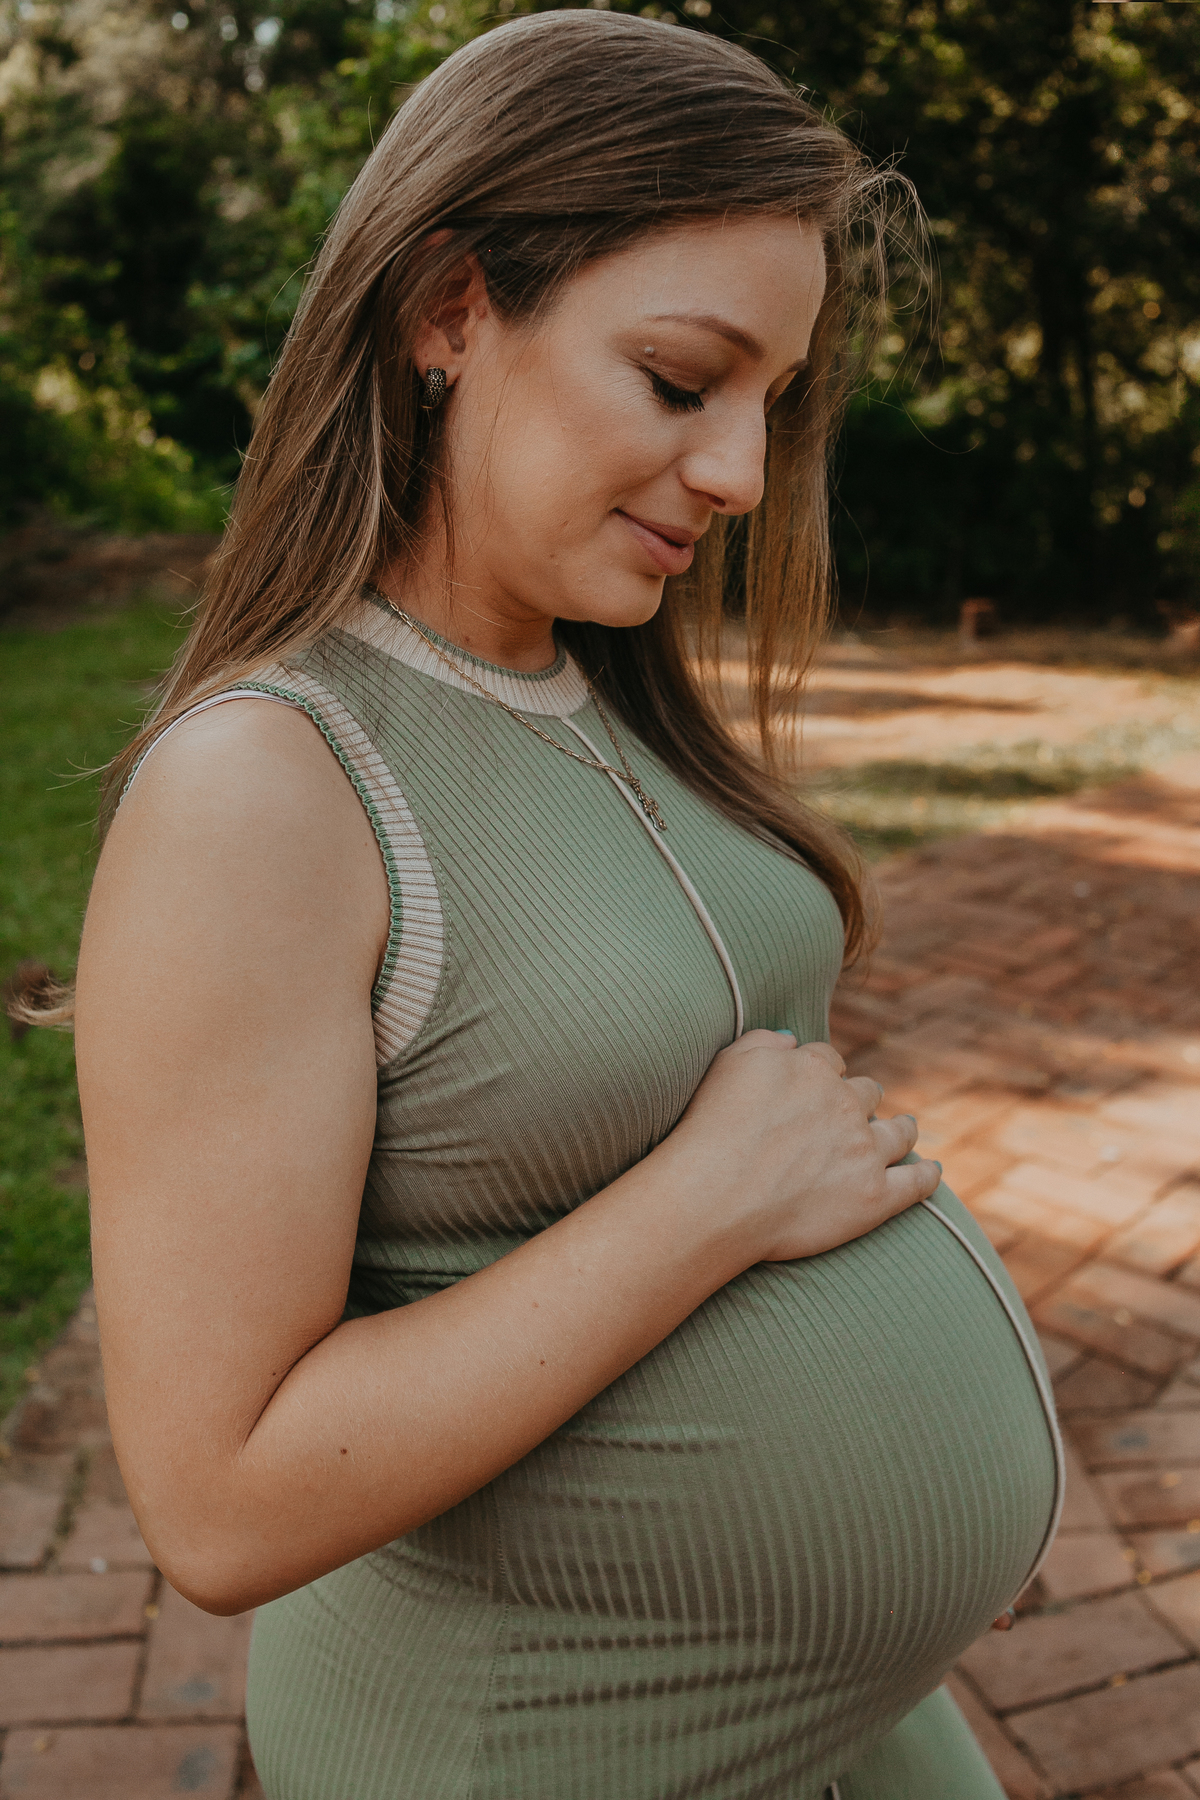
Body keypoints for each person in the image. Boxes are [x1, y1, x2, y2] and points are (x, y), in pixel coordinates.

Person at [62, 13, 1062, 1797]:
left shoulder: (598, 681)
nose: (744, 474)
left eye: (773, 400)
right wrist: (708, 1204)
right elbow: (216, 1500)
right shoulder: (265, 788)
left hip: (807, 1718)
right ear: (450, 311)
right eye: (684, 381)